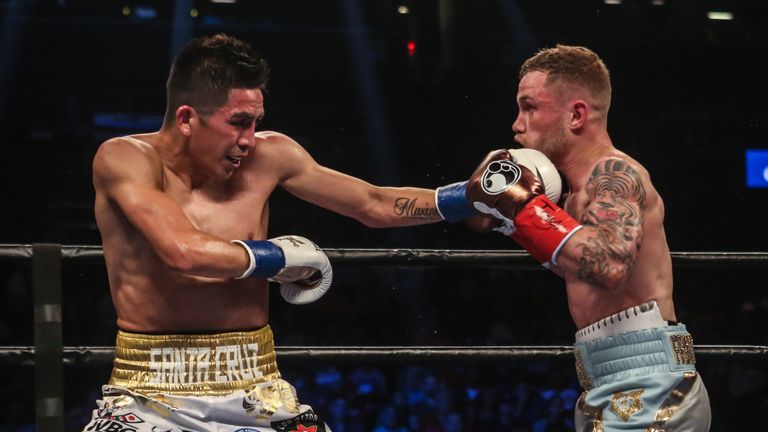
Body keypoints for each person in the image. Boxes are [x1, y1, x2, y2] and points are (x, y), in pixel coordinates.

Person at [83, 33, 478, 432]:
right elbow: (182, 251)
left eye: (255, 123)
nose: (248, 140)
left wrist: (473, 197)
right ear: (186, 118)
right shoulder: (125, 158)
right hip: (150, 391)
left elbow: (373, 204)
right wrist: (280, 257)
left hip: (257, 386)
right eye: (238, 123)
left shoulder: (271, 155)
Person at [462, 45, 711, 430]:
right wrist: (503, 215)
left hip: (650, 384)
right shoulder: (574, 198)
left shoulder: (617, 174)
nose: (517, 124)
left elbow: (608, 265)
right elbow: (579, 267)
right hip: (603, 380)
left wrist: (523, 207)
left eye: (529, 107)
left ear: (576, 114)